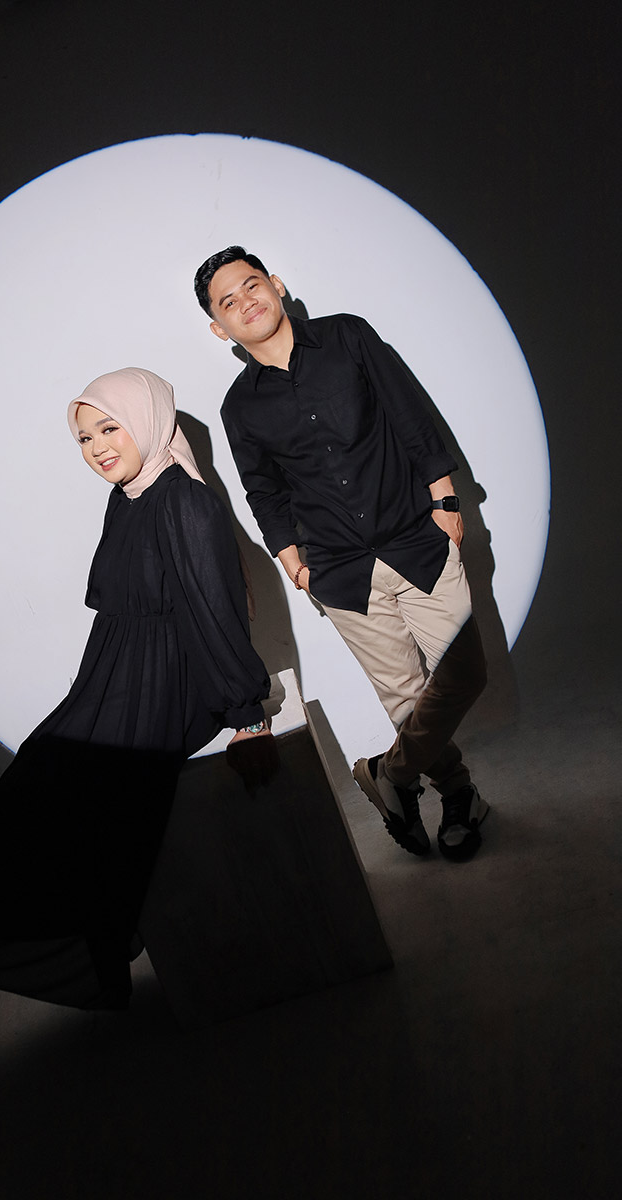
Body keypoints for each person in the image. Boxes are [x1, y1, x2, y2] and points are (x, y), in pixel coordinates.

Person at [0, 367, 274, 1013]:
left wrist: (248, 716)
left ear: (146, 419)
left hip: (167, 686)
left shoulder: (183, 501)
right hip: (117, 674)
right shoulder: (129, 496)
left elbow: (214, 612)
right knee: (17, 798)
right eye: (85, 438)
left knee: (32, 805)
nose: (97, 448)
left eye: (109, 428)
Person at [193, 246, 488, 861]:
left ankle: (390, 774)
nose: (247, 301)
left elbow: (409, 413)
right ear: (219, 328)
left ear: (276, 284)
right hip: (338, 568)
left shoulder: (348, 337)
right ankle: (458, 795)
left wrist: (445, 500)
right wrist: (290, 559)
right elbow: (263, 489)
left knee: (464, 673)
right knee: (405, 697)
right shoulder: (239, 406)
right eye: (228, 301)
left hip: (417, 537)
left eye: (252, 284)